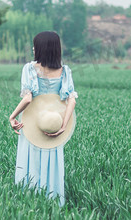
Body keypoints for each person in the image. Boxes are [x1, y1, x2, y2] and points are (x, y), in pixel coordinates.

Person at [8, 31, 78, 207]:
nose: (33, 48)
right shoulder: (65, 71)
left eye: (35, 45)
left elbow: (28, 98)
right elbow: (72, 100)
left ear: (41, 48)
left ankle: (28, 203)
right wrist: (63, 125)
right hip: (53, 122)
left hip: (34, 121)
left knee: (29, 160)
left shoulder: (30, 68)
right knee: (53, 161)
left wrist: (12, 116)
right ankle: (53, 202)